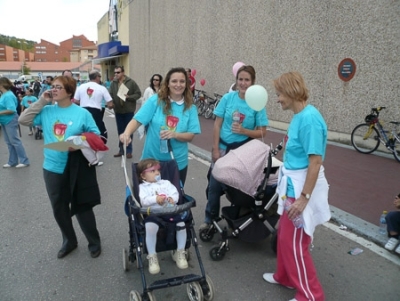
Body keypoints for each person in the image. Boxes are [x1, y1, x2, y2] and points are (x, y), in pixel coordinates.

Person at [262, 71, 330, 301]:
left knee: (296, 244)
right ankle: (285, 276)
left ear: (290, 92)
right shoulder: (300, 116)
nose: (278, 98)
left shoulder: (309, 120)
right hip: (291, 187)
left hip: (300, 189)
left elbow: (315, 161)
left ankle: (312, 295)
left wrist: (303, 198)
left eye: (279, 94)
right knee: (284, 238)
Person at [18, 76, 103, 259]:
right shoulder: (47, 110)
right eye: (53, 86)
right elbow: (23, 120)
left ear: (70, 92)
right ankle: (69, 241)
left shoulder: (82, 113)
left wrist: (78, 143)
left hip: (77, 167)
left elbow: (96, 136)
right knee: (59, 207)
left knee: (83, 206)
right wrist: (42, 100)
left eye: (58, 87)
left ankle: (94, 241)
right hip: (52, 167)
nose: (54, 90)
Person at [200, 65, 268, 230]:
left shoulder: (257, 103)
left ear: (252, 82)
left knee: (239, 188)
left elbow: (262, 132)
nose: (243, 83)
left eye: (247, 80)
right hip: (223, 149)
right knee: (214, 186)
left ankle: (236, 218)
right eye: (240, 79)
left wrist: (244, 131)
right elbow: (217, 125)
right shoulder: (228, 99)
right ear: (236, 81)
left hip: (243, 153)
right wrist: (215, 148)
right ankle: (210, 219)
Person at [119, 67, 201, 185]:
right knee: (149, 199)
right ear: (167, 83)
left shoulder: (190, 108)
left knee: (173, 199)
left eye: (182, 81)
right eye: (174, 81)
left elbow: (191, 136)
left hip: (177, 163)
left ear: (186, 84)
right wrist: (126, 133)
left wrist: (175, 135)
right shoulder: (156, 101)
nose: (178, 85)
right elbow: (137, 120)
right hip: (151, 162)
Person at [137, 158, 188, 274]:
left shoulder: (166, 183)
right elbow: (143, 201)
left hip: (170, 211)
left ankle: (180, 252)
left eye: (158, 170)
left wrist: (172, 198)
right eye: (152, 171)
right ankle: (152, 256)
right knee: (150, 227)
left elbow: (175, 192)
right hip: (153, 213)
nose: (157, 173)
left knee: (181, 224)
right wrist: (155, 199)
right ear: (143, 176)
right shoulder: (142, 188)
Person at [108, 66, 141, 159]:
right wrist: (110, 103)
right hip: (118, 110)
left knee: (129, 131)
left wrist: (129, 97)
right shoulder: (113, 83)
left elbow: (138, 94)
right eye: (115, 73)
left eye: (118, 72)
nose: (116, 74)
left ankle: (129, 150)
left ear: (123, 72)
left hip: (128, 111)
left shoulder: (131, 82)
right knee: (120, 131)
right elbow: (110, 95)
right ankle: (121, 150)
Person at [73, 70, 113, 143]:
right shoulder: (102, 88)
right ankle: (98, 145)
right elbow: (110, 103)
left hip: (83, 111)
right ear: (97, 77)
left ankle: (82, 145)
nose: (100, 78)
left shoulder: (81, 86)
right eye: (99, 76)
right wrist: (110, 106)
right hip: (96, 112)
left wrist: (83, 102)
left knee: (83, 129)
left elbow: (75, 100)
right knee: (99, 131)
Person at [0, 77, 30, 168]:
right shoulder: (4, 94)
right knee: (9, 142)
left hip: (10, 119)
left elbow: (11, 110)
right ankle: (12, 161)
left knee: (14, 141)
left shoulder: (8, 95)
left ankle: (24, 160)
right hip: (5, 120)